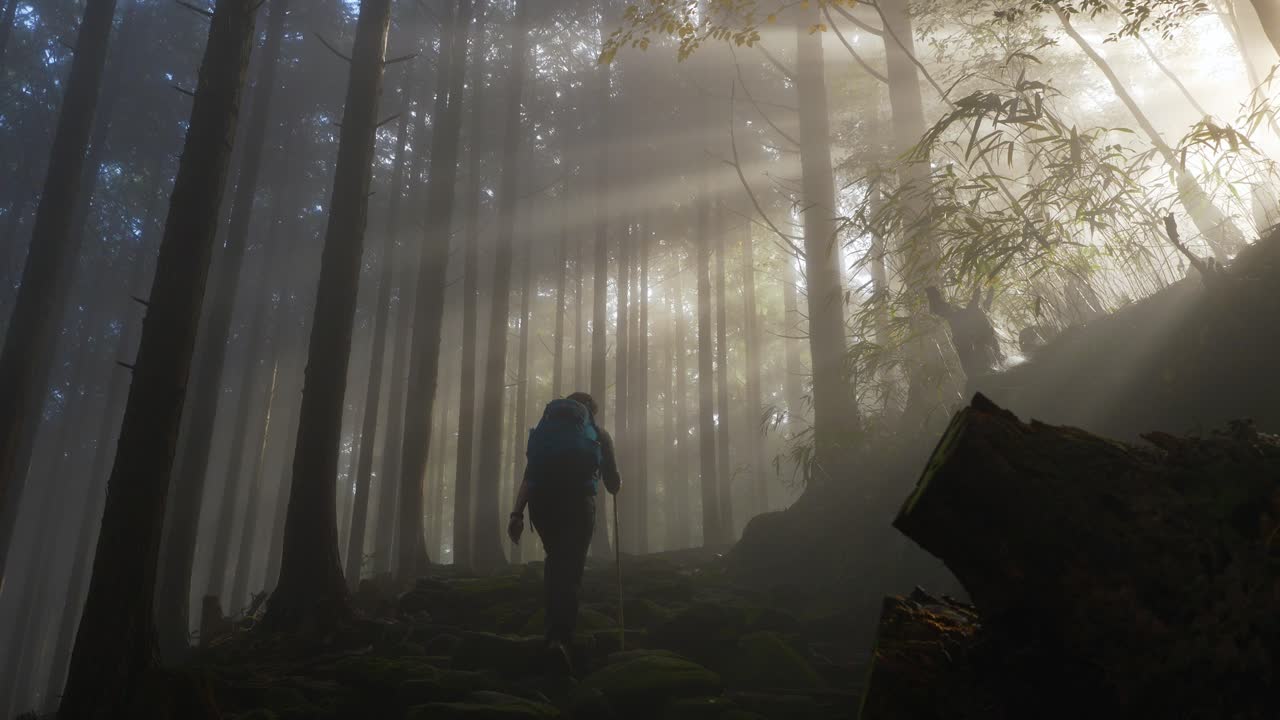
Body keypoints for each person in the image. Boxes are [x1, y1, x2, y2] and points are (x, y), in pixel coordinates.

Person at [508, 391, 621, 668]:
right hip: (578, 505)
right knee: (570, 571)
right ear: (590, 412)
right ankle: (561, 639)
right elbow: (612, 484)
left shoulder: (545, 435)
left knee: (555, 562)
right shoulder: (598, 434)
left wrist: (516, 514)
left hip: (542, 504)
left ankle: (552, 635)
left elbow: (530, 475)